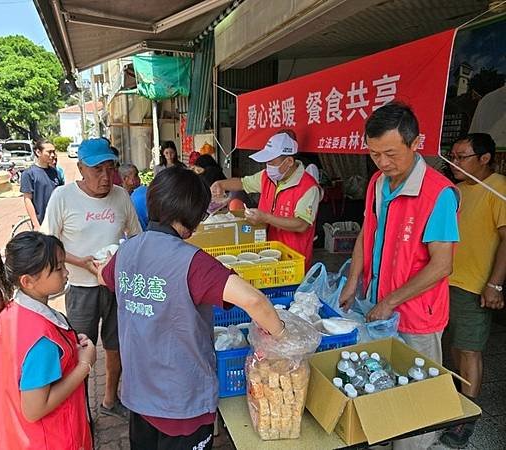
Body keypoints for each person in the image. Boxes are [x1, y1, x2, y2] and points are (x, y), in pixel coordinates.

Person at [97, 167, 285, 450]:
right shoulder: (193, 263)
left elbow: (103, 276)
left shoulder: (127, 250)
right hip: (181, 402)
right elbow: (255, 301)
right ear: (192, 217)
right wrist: (282, 337)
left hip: (139, 394)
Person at [338, 102, 459, 450]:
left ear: (415, 143)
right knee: (380, 381)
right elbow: (367, 231)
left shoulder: (438, 193)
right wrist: (352, 280)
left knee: (417, 393)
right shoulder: (378, 182)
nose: (383, 163)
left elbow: (442, 265)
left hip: (417, 316)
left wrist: (391, 300)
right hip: (378, 306)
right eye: (375, 154)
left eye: (390, 153)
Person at [41, 137, 142, 419]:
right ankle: (82, 413)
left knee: (116, 347)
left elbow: (136, 238)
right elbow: (49, 243)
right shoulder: (63, 197)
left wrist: (121, 259)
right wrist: (80, 262)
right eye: (97, 169)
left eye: (110, 168)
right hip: (80, 288)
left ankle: (110, 401)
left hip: (115, 287)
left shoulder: (121, 196)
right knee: (79, 352)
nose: (105, 176)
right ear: (81, 168)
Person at [0, 231, 94, 450]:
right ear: (28, 281)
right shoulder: (42, 341)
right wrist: (84, 365)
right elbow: (34, 409)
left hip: (20, 436)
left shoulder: (11, 311)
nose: (66, 272)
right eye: (58, 268)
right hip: (50, 439)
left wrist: (70, 347)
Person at [440, 133, 505, 448]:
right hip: (446, 280)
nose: (454, 163)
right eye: (452, 155)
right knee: (455, 344)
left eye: (462, 156)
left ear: (484, 158)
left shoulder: (499, 189)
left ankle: (468, 418)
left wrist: (495, 283)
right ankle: (458, 398)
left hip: (475, 284)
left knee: (470, 349)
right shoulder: (457, 191)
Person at [210, 130, 322, 267]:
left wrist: (265, 218)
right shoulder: (267, 177)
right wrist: (221, 184)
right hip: (267, 253)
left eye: (272, 162)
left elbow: (302, 224)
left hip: (293, 260)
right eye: (266, 162)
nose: (268, 167)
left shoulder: (308, 187)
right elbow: (243, 183)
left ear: (289, 161)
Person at [21, 139, 61, 229]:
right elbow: (27, 200)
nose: (52, 155)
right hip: (41, 222)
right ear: (38, 152)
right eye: (49, 152)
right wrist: (36, 224)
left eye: (54, 152)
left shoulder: (55, 172)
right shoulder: (29, 174)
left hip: (57, 220)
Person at [120, 163, 149, 231]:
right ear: (125, 179)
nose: (139, 179)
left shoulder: (142, 193)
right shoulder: (120, 197)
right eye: (135, 176)